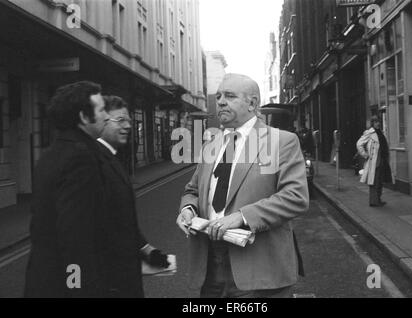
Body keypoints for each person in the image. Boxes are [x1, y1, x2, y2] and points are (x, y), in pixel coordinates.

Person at [176, 73, 309, 298]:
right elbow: (193, 190)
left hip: (258, 269)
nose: (220, 101)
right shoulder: (212, 143)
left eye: (229, 95)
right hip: (210, 266)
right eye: (218, 96)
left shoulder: (280, 141)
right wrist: (188, 209)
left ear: (252, 103)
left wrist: (243, 216)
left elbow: (295, 196)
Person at [25, 81, 110, 297]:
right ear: (83, 117)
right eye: (101, 110)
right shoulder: (81, 158)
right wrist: (78, 288)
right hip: (66, 285)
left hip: (41, 278)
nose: (106, 116)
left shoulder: (50, 154)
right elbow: (75, 236)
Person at [96, 95, 170, 297]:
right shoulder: (94, 161)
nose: (128, 125)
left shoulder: (112, 157)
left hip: (122, 272)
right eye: (120, 120)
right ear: (102, 121)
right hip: (111, 279)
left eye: (128, 120)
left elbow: (121, 218)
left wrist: (146, 248)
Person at [356, 116, 393, 207]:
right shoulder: (369, 133)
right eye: (376, 122)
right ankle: (373, 201)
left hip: (383, 161)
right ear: (372, 123)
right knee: (374, 182)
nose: (378, 123)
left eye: (378, 122)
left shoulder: (381, 133)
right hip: (374, 162)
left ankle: (378, 200)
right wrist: (365, 155)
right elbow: (359, 144)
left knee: (380, 182)